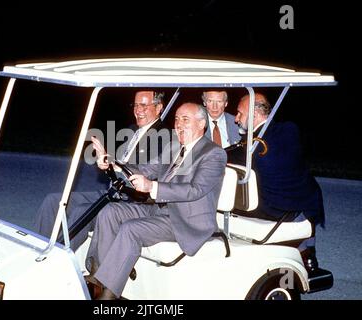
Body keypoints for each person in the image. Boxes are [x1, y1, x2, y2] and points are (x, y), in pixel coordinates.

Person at [86, 102, 227, 299]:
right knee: (110, 211)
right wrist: (113, 163)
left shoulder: (213, 154)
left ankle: (107, 298)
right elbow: (145, 170)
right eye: (177, 120)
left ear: (202, 123)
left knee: (131, 229)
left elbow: (195, 190)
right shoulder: (175, 147)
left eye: (185, 120)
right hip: (158, 209)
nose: (178, 125)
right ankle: (99, 280)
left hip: (185, 221)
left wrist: (152, 187)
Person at [34, 91, 168, 251]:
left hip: (131, 200)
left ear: (159, 107)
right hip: (113, 191)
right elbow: (118, 165)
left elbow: (145, 173)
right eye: (136, 105)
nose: (138, 110)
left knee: (82, 210)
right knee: (54, 201)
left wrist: (113, 164)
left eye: (144, 106)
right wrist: (107, 163)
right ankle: (35, 248)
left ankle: (56, 257)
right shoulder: (132, 130)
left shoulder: (164, 137)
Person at [228, 93, 325, 270]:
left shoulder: (254, 147)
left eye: (240, 113)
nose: (236, 119)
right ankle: (307, 253)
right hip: (307, 199)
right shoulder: (289, 130)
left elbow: (230, 155)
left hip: (274, 209)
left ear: (255, 115)